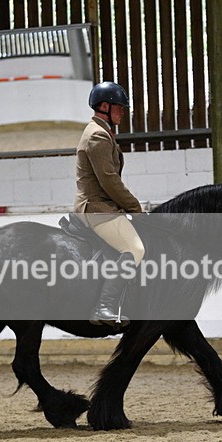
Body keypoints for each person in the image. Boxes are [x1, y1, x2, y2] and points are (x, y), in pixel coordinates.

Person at [74, 82, 145, 326]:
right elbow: (109, 182)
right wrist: (136, 208)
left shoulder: (102, 132)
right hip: (96, 208)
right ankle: (105, 306)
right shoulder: (97, 135)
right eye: (120, 107)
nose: (123, 112)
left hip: (104, 207)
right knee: (134, 249)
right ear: (105, 106)